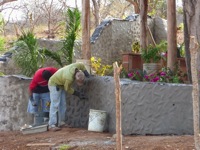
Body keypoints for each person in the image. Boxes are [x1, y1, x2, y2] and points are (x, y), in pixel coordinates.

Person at [48, 62, 90, 131]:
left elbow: (82, 65)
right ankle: (51, 125)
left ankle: (61, 122)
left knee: (63, 104)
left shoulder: (78, 66)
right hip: (54, 83)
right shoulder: (69, 78)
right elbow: (67, 89)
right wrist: (77, 94)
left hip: (60, 84)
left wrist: (87, 73)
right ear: (75, 78)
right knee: (55, 104)